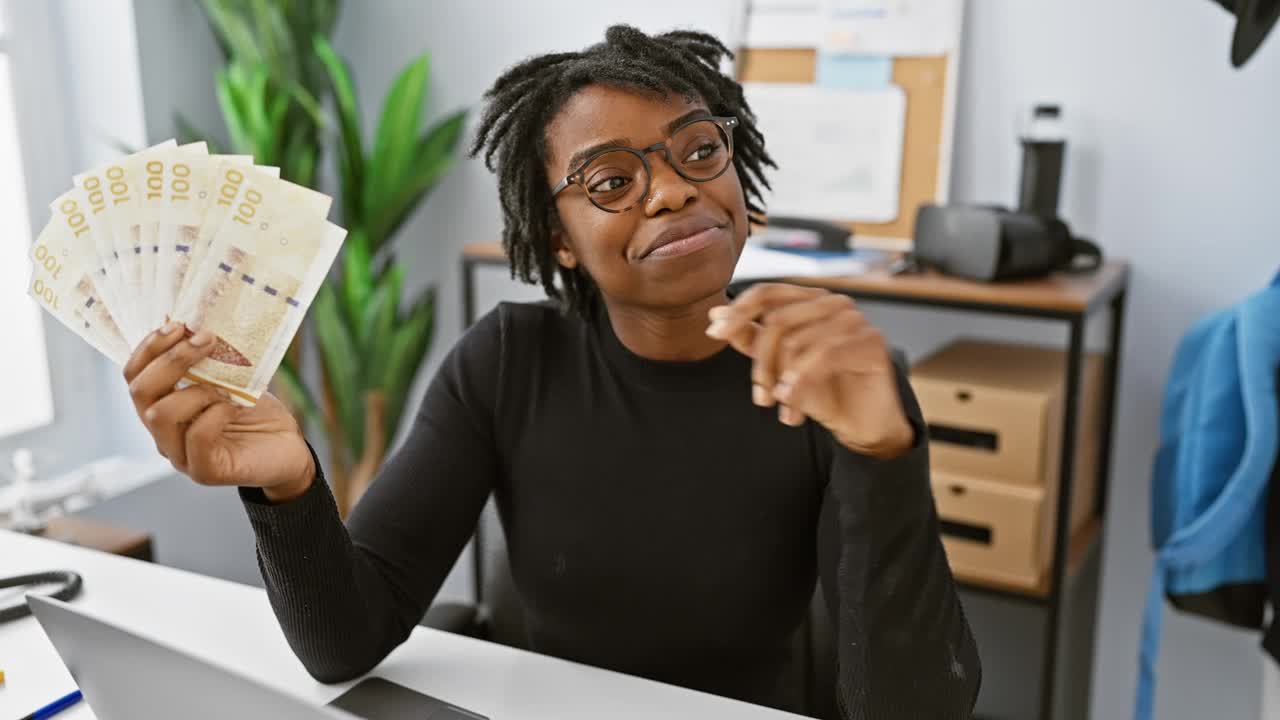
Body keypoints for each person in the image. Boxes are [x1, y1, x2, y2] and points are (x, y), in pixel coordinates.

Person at [122, 25, 980, 718]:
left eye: (698, 152)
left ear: (736, 173)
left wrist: (881, 450)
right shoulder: (506, 361)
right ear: (560, 240)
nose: (673, 191)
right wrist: (289, 486)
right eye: (611, 180)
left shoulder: (829, 372)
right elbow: (346, 643)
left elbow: (910, 707)